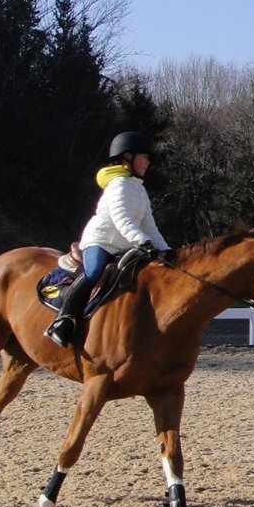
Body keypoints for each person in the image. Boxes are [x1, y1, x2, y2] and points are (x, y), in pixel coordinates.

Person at [44, 131, 170, 347]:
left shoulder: (139, 190)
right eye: (145, 156)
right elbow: (122, 218)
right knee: (93, 272)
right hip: (100, 242)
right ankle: (63, 320)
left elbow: (149, 226)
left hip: (126, 245)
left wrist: (166, 250)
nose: (148, 162)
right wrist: (143, 241)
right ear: (127, 156)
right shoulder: (118, 185)